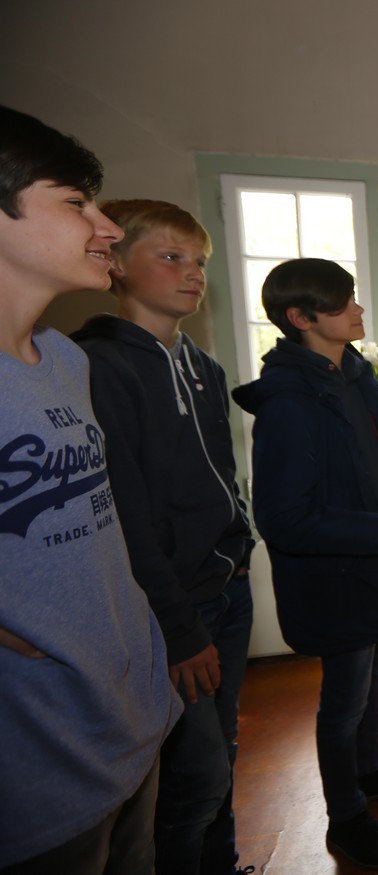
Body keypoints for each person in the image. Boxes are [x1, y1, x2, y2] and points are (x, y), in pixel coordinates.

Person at [0, 105, 180, 873]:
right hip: (41, 758)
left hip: (131, 719)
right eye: (76, 202)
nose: (106, 228)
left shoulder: (65, 360)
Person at [232, 258, 378, 870]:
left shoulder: (354, 373)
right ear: (301, 318)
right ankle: (345, 816)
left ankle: (368, 771)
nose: (358, 310)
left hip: (373, 561)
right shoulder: (288, 402)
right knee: (345, 697)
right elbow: (283, 519)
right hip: (333, 576)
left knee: (377, 671)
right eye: (344, 302)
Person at [71, 200, 256, 875]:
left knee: (222, 751)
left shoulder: (204, 366)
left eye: (199, 261)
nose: (193, 273)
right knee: (195, 774)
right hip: (174, 604)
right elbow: (125, 511)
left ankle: (221, 863)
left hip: (228, 587)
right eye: (171, 257)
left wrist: (242, 542)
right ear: (117, 264)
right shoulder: (99, 364)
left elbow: (222, 474)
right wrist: (178, 625)